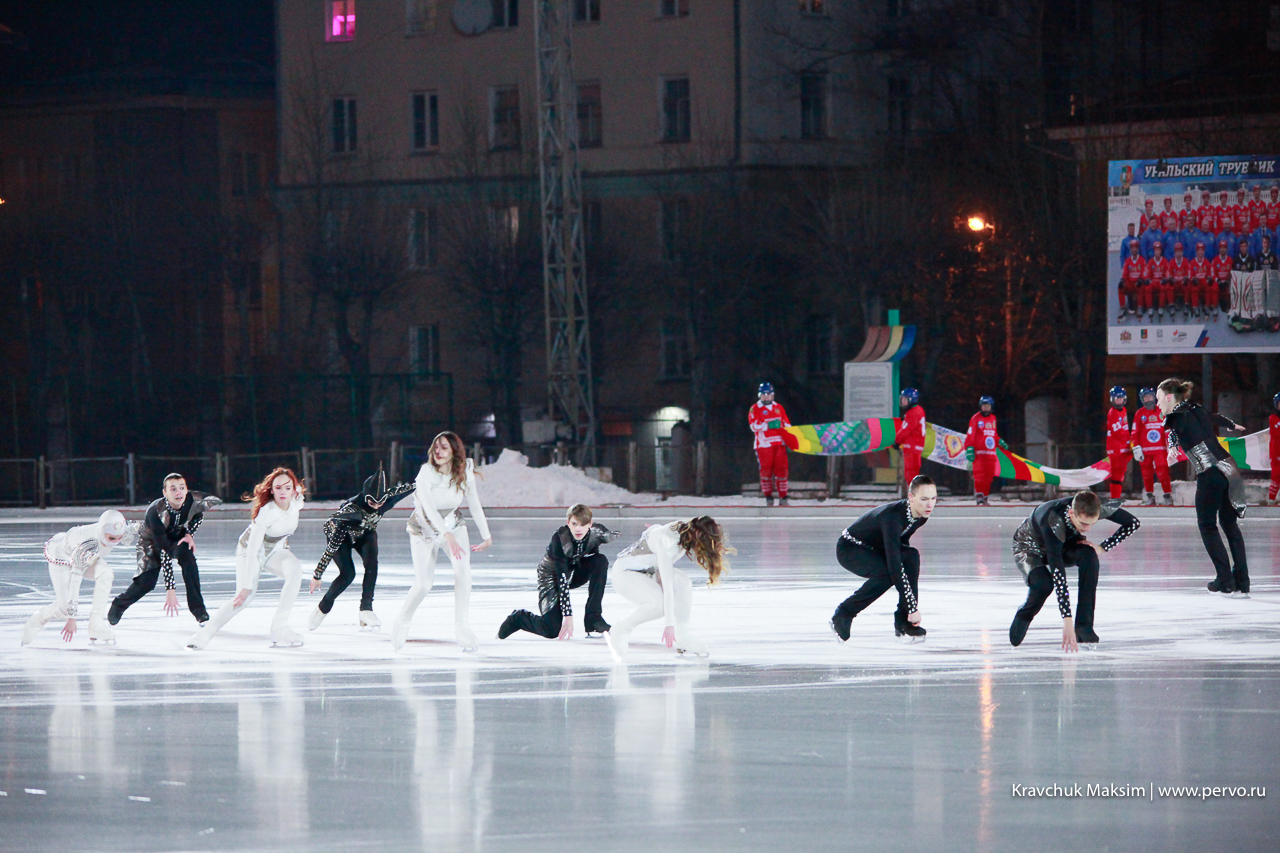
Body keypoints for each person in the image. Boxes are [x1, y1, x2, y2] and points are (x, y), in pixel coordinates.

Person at [392, 431, 492, 652]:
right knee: (424, 584)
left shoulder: (465, 469)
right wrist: (445, 534)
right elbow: (427, 509)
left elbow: (474, 503)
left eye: (444, 447)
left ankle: (462, 628)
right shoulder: (426, 472)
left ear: (455, 451)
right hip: (424, 529)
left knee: (463, 572)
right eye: (436, 447)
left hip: (453, 525)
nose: (438, 451)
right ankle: (403, 621)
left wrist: (486, 535)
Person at [188, 468, 306, 650]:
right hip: (250, 550)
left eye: (287, 487)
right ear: (271, 490)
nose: (283, 492)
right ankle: (204, 634)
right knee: (244, 597)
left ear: (294, 490)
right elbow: (253, 550)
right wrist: (247, 586)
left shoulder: (298, 501)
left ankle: (280, 627)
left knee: (295, 572)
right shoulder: (267, 512)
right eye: (278, 487)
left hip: (276, 549)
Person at [1009, 490, 1140, 651]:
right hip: (1029, 547)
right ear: (1071, 513)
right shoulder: (1052, 520)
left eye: (1093, 522)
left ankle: (1084, 626)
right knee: (1044, 585)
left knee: (1089, 555)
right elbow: (1059, 574)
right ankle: (1025, 614)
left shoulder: (1096, 506)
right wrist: (1067, 621)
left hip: (1064, 542)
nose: (1088, 529)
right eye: (1084, 524)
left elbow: (1133, 523)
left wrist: (1103, 547)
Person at [1157, 378, 1250, 596]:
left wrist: (1171, 449)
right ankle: (1242, 582)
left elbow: (1172, 431)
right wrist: (1231, 424)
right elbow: (1214, 417)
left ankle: (1225, 581)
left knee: (1207, 525)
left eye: (1160, 399)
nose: (1159, 404)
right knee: (1230, 526)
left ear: (1169, 398)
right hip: (1231, 469)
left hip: (1211, 474)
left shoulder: (1175, 416)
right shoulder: (1195, 408)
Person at [604, 516, 732, 661]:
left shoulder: (685, 529)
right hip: (625, 574)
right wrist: (669, 624)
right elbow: (668, 584)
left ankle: (682, 635)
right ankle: (621, 629)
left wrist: (652, 530)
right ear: (697, 535)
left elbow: (658, 530)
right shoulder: (668, 542)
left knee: (684, 582)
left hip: (649, 571)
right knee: (660, 606)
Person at [830, 475, 937, 644]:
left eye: (933, 498)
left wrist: (909, 607)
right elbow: (895, 565)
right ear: (911, 497)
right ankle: (844, 613)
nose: (929, 505)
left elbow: (902, 544)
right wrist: (913, 607)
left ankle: (903, 621)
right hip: (851, 548)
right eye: (924, 499)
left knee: (912, 557)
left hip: (875, 547)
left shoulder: (921, 515)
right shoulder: (893, 518)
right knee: (887, 573)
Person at [308, 465, 415, 630]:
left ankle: (366, 609)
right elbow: (330, 549)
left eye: (380, 503)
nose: (376, 506)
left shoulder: (388, 497)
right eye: (372, 502)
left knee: (372, 563)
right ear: (365, 497)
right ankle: (323, 608)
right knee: (348, 573)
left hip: (364, 531)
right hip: (341, 534)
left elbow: (413, 486)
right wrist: (317, 575)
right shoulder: (348, 514)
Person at [497, 504, 620, 641]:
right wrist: (568, 616)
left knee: (600, 561)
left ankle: (593, 618)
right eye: (574, 524)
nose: (578, 528)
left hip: (574, 571)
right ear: (568, 523)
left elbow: (614, 538)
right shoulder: (560, 539)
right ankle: (519, 618)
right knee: (551, 630)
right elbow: (561, 577)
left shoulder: (597, 533)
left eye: (583, 524)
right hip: (552, 578)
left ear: (590, 524)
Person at [108, 473, 218, 626]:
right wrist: (170, 589)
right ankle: (118, 605)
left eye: (182, 488)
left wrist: (188, 534)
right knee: (146, 582)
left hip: (177, 536)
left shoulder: (192, 501)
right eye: (173, 489)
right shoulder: (156, 513)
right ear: (165, 493)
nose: (178, 492)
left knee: (189, 560)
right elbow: (163, 549)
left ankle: (199, 610)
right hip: (152, 543)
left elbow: (198, 515)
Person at [21, 511, 131, 646]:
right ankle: (37, 619)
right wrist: (72, 617)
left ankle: (96, 626)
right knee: (65, 610)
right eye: (111, 538)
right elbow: (76, 579)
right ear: (102, 531)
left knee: (106, 573)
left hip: (88, 556)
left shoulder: (119, 529)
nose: (116, 542)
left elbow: (144, 527)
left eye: (119, 538)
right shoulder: (87, 544)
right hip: (61, 556)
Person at [749, 382, 792, 506]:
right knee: (766, 471)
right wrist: (769, 425)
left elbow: (787, 424)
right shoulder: (755, 408)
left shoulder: (779, 407)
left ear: (772, 395)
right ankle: (768, 496)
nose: (766, 396)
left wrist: (790, 439)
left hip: (779, 443)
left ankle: (783, 496)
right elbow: (753, 426)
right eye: (763, 394)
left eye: (768, 394)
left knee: (782, 470)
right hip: (764, 445)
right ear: (759, 395)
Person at [1132, 387, 1173, 506]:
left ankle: (1167, 496)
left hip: (1160, 449)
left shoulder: (1162, 411)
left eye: (1150, 396)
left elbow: (1169, 428)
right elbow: (1135, 432)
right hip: (1145, 450)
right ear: (1142, 399)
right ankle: (1150, 496)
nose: (1148, 399)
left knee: (1163, 471)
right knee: (1146, 473)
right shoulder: (1139, 413)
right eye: (1146, 397)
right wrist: (1136, 447)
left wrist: (1171, 443)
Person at [963, 396, 1005, 506]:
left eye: (988, 406)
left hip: (990, 453)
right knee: (979, 476)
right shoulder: (975, 418)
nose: (986, 408)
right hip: (979, 453)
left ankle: (985, 497)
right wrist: (970, 447)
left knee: (989, 477)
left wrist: (999, 441)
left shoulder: (993, 418)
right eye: (984, 406)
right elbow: (971, 434)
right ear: (980, 407)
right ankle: (979, 496)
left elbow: (993, 434)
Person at [1104, 386, 1133, 500]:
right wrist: (1130, 441)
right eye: (1117, 399)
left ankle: (1116, 497)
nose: (1119, 401)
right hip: (1116, 448)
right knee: (1117, 473)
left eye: (1121, 398)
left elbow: (1124, 429)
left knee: (1121, 473)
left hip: (1123, 446)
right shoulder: (1112, 413)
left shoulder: (1124, 411)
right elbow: (1118, 432)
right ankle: (1115, 497)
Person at [895, 387, 926, 490]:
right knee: (912, 470)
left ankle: (913, 492)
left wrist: (897, 441)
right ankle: (914, 491)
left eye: (904, 399)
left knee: (910, 470)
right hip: (915, 445)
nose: (902, 401)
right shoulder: (916, 411)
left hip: (912, 446)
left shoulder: (914, 412)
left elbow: (905, 430)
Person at [1118, 239, 1147, 320]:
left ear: (1138, 249)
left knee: (1141, 286)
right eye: (1132, 248)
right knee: (1120, 287)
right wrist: (1122, 280)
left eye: (1135, 248)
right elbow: (1124, 273)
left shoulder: (1142, 260)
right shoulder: (1127, 261)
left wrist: (1141, 279)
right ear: (1130, 249)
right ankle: (1122, 308)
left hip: (1137, 283)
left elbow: (1144, 272)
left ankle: (1140, 307)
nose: (1134, 249)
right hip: (1130, 283)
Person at [1189, 241, 1212, 319]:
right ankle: (1195, 307)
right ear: (1196, 252)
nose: (1200, 252)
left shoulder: (1207, 262)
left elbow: (1209, 274)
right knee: (1194, 288)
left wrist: (1209, 279)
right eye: (1199, 250)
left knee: (1208, 286)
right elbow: (1190, 275)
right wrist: (1193, 279)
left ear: (1204, 251)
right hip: (1196, 282)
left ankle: (1207, 306)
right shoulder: (1192, 262)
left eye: (1202, 250)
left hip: (1203, 281)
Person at [1269, 392, 1280, 505]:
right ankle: (1271, 499)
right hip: (1277, 451)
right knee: (1276, 475)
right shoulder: (1273, 418)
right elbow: (1276, 433)